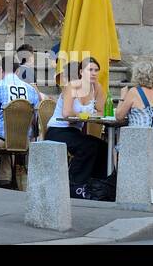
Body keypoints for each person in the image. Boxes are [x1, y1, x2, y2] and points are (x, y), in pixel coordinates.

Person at [44, 57, 108, 186]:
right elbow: (66, 113)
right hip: (58, 130)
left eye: (96, 70)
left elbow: (101, 112)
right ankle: (74, 184)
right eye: (90, 70)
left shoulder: (97, 88)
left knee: (104, 147)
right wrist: (86, 114)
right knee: (88, 146)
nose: (94, 73)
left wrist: (87, 115)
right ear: (80, 72)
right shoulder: (72, 86)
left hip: (74, 131)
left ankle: (97, 185)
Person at [115, 61, 153, 127]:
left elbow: (119, 116)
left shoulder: (134, 91)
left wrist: (123, 97)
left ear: (137, 75)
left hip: (137, 135)